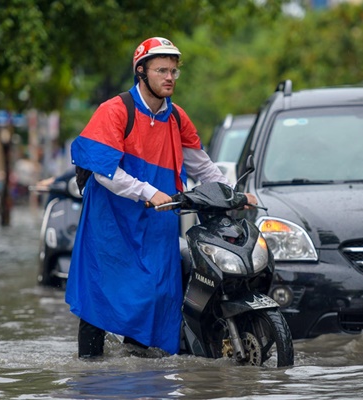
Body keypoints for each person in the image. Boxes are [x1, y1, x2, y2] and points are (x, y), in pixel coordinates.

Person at [65, 36, 256, 358]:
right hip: (109, 223)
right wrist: (149, 191)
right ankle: (92, 373)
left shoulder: (178, 117)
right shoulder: (113, 111)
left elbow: (202, 166)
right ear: (141, 72)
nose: (169, 77)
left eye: (173, 71)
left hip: (157, 221)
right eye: (161, 70)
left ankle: (136, 369)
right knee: (99, 297)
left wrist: (233, 194)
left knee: (155, 295)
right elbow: (104, 172)